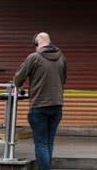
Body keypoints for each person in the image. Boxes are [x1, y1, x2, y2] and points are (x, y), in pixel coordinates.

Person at [14, 32, 67, 170]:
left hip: (39, 106)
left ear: (37, 44)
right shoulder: (62, 57)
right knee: (49, 142)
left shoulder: (34, 57)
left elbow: (18, 80)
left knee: (41, 143)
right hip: (57, 105)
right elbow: (63, 79)